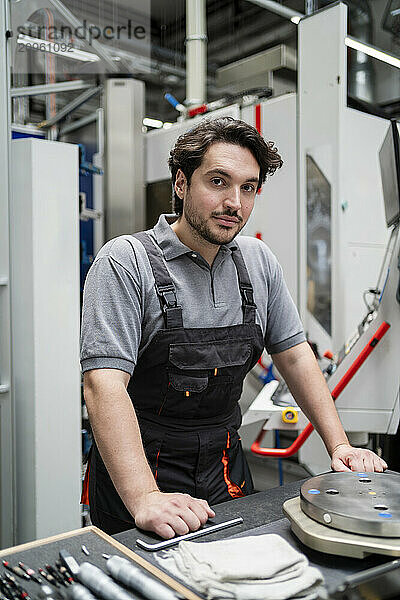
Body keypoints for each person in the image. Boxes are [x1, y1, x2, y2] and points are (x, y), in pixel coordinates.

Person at [80, 117, 387, 538]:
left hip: (223, 465)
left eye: (248, 187)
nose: (235, 203)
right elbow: (103, 386)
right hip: (140, 469)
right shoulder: (124, 262)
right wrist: (145, 498)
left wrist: (340, 446)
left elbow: (295, 354)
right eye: (218, 182)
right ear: (181, 183)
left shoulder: (259, 261)